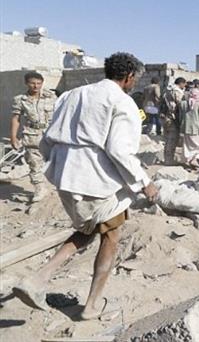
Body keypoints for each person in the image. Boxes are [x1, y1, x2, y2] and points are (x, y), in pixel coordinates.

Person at [12, 52, 158, 319]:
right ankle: (90, 307)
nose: (134, 82)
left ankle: (36, 280)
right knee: (111, 236)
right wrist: (144, 183)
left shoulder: (72, 95)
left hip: (65, 176)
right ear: (128, 77)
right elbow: (119, 150)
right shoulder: (122, 103)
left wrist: (58, 165)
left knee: (88, 229)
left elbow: (47, 138)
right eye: (135, 78)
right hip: (96, 180)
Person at [10, 71, 58, 202]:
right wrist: (13, 137)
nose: (36, 86)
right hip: (32, 134)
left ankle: (60, 186)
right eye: (32, 83)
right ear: (27, 83)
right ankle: (39, 189)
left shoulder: (51, 96)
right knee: (34, 162)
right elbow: (16, 118)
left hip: (51, 134)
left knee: (57, 161)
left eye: (39, 83)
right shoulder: (20, 100)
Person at [179, 87, 199, 168]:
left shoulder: (183, 103)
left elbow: (180, 117)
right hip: (196, 130)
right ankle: (194, 159)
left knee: (188, 146)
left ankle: (187, 161)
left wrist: (181, 127)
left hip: (186, 129)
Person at [161, 77, 186, 164]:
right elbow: (180, 105)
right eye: (184, 84)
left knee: (167, 139)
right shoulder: (177, 91)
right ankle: (169, 160)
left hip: (165, 117)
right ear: (181, 83)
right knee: (172, 139)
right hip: (173, 118)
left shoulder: (167, 90)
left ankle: (166, 159)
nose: (184, 86)